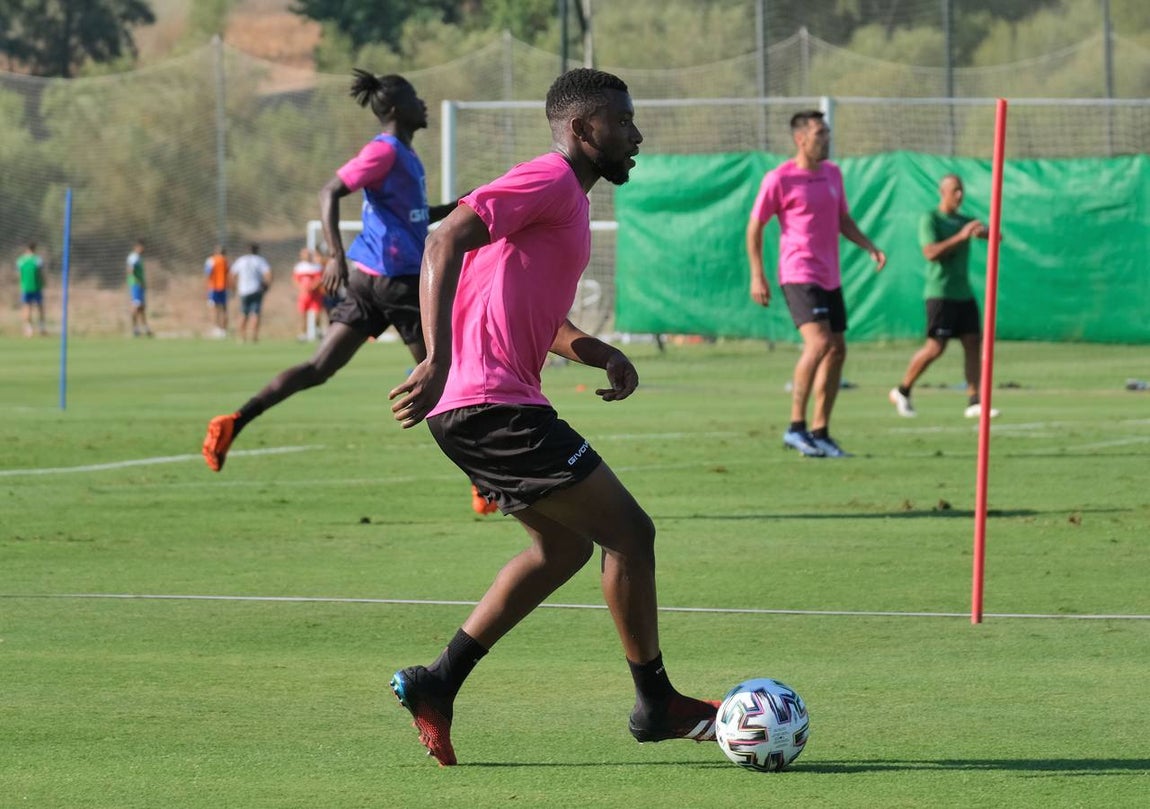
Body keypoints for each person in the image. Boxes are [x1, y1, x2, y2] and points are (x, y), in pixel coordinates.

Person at [386, 68, 719, 767]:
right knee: (630, 533)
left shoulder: (557, 201)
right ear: (581, 129)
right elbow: (444, 238)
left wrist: (596, 350)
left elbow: (534, 309)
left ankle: (437, 682)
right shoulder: (548, 179)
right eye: (622, 121)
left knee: (563, 549)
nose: (635, 133)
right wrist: (439, 357)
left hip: (485, 405)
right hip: (490, 402)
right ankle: (654, 702)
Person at [201, 71, 458, 476]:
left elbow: (413, 217)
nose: (422, 102)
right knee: (443, 377)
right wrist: (335, 255)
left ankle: (234, 421)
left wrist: (460, 208)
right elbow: (329, 191)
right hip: (398, 281)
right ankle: (485, 480)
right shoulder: (385, 151)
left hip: (372, 280)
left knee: (319, 368)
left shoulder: (404, 155)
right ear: (393, 109)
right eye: (413, 97)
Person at [746, 109, 886, 458]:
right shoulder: (779, 179)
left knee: (838, 349)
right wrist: (757, 274)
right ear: (800, 139)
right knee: (820, 343)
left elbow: (843, 219)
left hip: (830, 275)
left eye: (827, 132)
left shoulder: (833, 174)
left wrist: (869, 246)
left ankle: (820, 430)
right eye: (820, 133)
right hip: (798, 273)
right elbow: (755, 227)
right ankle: (796, 427)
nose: (826, 139)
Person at [889, 174, 999, 419]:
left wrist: (988, 234)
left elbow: (996, 237)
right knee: (936, 347)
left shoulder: (966, 220)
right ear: (943, 192)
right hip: (940, 294)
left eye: (962, 190)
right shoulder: (931, 219)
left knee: (973, 343)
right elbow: (930, 252)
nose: (959, 195)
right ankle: (902, 390)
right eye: (955, 190)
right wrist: (961, 237)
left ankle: (974, 401)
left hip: (964, 294)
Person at [230, 243, 272, 343]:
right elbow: (269, 274)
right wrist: (267, 286)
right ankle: (254, 337)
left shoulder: (241, 260)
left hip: (243, 290)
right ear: (257, 250)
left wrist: (234, 287)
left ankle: (241, 337)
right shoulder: (260, 260)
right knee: (255, 314)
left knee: (243, 313)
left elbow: (232, 274)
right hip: (256, 290)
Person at [292, 247, 325, 341]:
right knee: (302, 315)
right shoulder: (299, 267)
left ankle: (317, 330)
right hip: (304, 295)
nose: (305, 255)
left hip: (315, 295)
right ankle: (303, 334)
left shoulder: (317, 266)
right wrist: (301, 288)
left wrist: (313, 286)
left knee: (317, 313)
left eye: (307, 253)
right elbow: (295, 280)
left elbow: (319, 279)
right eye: (303, 253)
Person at [17, 242, 46, 337]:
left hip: (25, 287)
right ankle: (42, 328)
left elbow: (19, 273)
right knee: (40, 307)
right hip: (37, 286)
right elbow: (41, 273)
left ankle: (29, 330)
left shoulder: (21, 260)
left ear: (26, 249)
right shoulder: (37, 259)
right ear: (34, 249)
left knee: (27, 307)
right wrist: (44, 282)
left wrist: (21, 283)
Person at [126, 240, 153, 337]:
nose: (143, 249)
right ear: (136, 247)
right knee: (136, 305)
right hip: (135, 284)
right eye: (141, 247)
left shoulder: (138, 257)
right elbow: (130, 269)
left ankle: (145, 328)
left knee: (142, 307)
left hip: (139, 284)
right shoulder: (134, 257)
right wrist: (137, 280)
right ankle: (135, 329)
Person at [204, 246, 229, 338]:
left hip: (213, 288)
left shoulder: (211, 260)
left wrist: (206, 287)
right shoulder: (226, 261)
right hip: (224, 287)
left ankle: (217, 329)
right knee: (224, 309)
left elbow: (208, 273)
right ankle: (224, 330)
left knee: (214, 309)